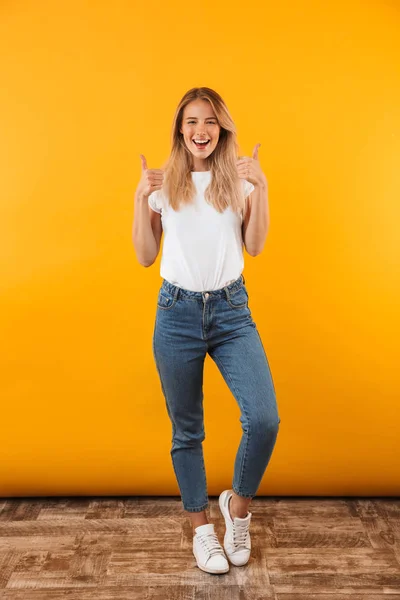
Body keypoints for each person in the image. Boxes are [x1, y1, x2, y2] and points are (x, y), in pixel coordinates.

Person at [132, 86, 281, 575]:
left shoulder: (237, 183)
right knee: (187, 430)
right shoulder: (164, 184)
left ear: (223, 129)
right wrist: (139, 199)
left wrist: (262, 187)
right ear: (180, 127)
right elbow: (145, 255)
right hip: (175, 315)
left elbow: (255, 247)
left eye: (211, 122)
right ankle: (201, 530)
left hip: (231, 312)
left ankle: (236, 509)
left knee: (263, 419)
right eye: (193, 121)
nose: (201, 130)